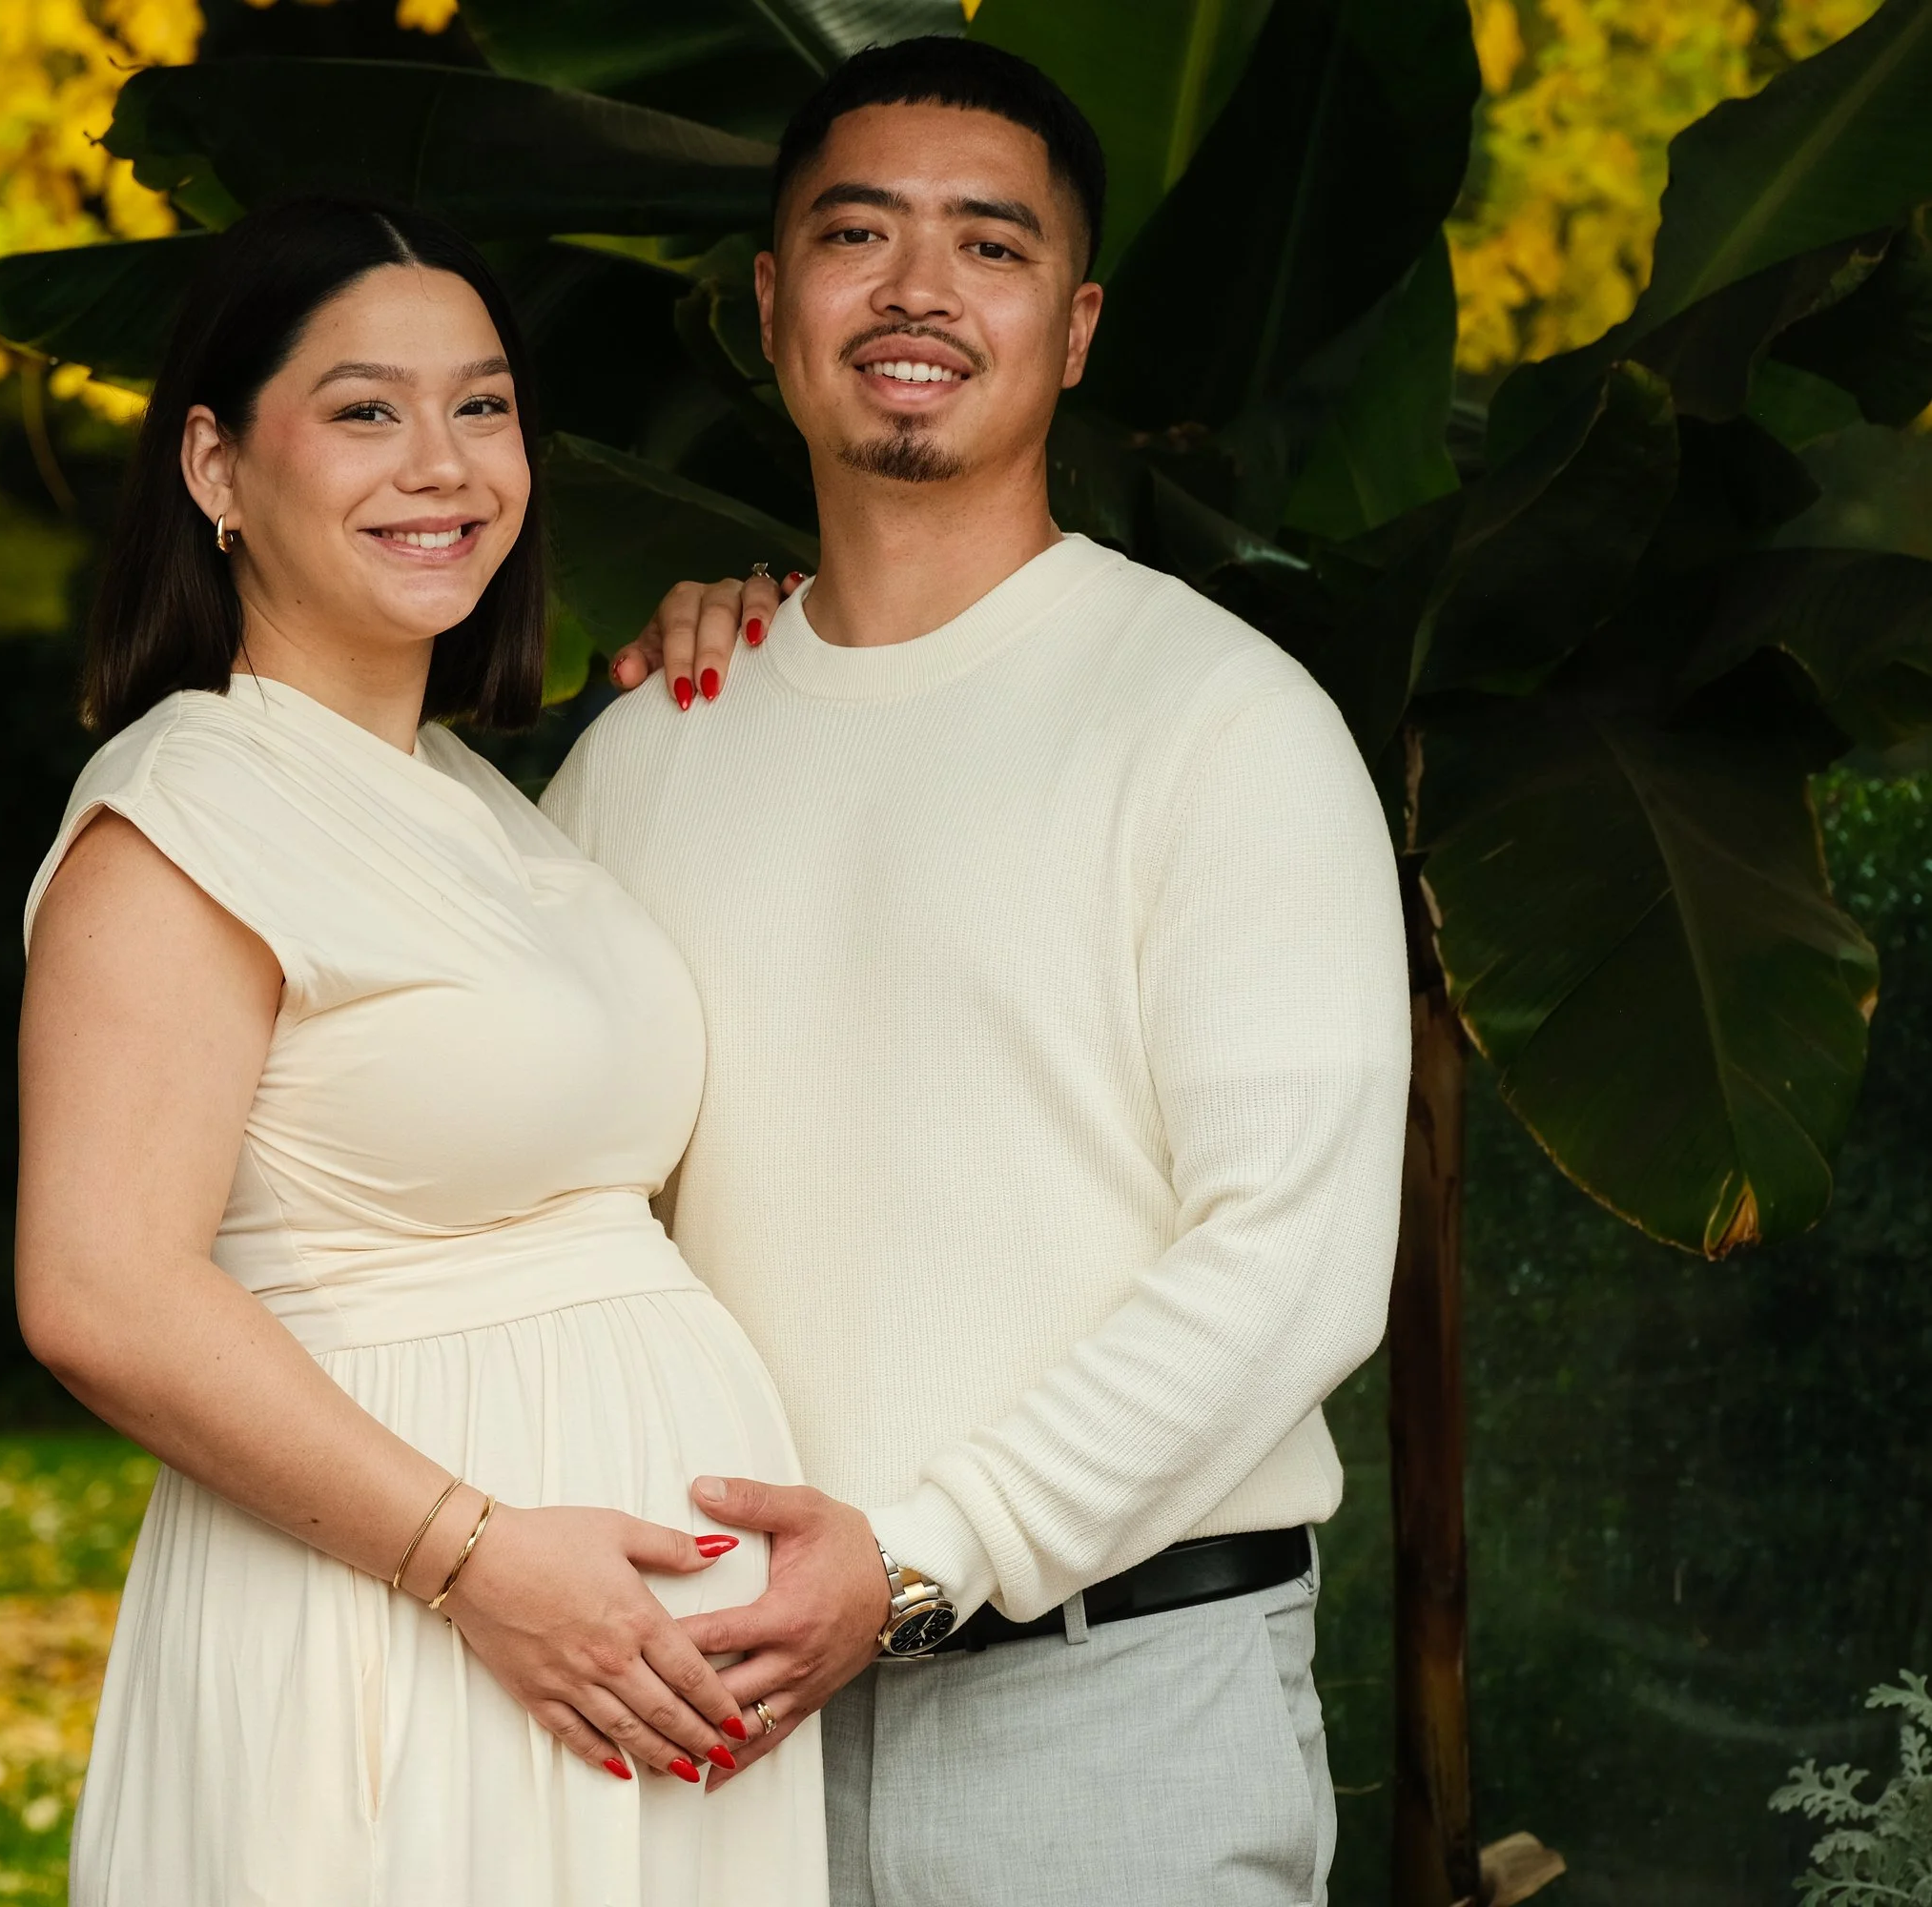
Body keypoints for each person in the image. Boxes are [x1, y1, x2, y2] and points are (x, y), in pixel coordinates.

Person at [542, 38, 1411, 1906]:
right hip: (709, 1722)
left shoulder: (1214, 722)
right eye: (856, 236)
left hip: (1109, 1722)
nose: (917, 291)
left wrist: (925, 1547)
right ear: (773, 304)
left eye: (988, 246)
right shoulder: (645, 748)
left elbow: (1294, 1257)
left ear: (1074, 324)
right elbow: (545, 1217)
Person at [13, 195, 826, 1907]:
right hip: (400, 1629)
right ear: (218, 468)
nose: (442, 462)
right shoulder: (185, 815)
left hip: (621, 1675)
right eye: (366, 410)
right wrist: (477, 1565)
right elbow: (98, 1292)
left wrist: (749, 645)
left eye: (484, 407)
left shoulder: (483, 802)